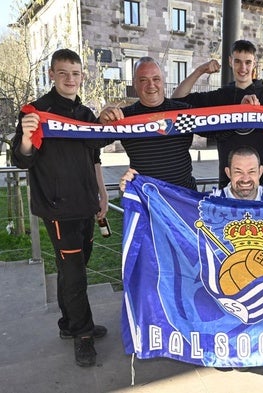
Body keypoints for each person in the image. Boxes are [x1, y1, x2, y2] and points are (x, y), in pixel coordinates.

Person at [11, 48, 108, 367]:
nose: (70, 79)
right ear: (52, 74)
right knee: (75, 274)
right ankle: (83, 335)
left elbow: (96, 151)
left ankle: (69, 323)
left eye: (76, 73)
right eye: (63, 72)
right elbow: (21, 158)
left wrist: (102, 194)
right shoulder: (36, 111)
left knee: (74, 271)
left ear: (82, 76)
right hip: (58, 210)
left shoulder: (84, 113)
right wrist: (26, 137)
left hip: (86, 206)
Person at [171, 40, 263, 189]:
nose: (243, 68)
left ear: (254, 63)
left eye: (248, 62)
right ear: (230, 61)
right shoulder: (220, 97)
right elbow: (177, 100)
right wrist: (200, 70)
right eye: (238, 62)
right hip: (229, 184)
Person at [99, 57, 197, 190]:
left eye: (156, 79)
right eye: (143, 80)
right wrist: (101, 121)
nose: (151, 85)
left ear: (163, 81)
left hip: (183, 198)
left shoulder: (183, 112)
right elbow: (93, 141)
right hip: (145, 199)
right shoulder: (124, 118)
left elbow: (219, 129)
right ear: (135, 84)